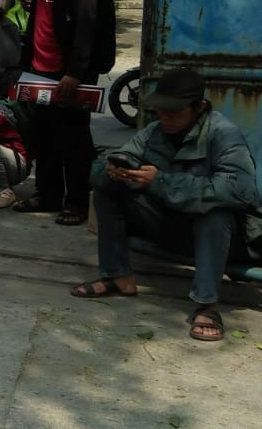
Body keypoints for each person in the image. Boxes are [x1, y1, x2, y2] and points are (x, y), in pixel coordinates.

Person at [71, 68, 261, 342]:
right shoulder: (154, 131)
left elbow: (239, 191)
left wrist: (160, 182)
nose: (165, 118)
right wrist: (114, 171)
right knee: (107, 189)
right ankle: (117, 276)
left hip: (229, 240)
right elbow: (108, 163)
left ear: (200, 108)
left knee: (213, 213)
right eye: (162, 110)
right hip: (173, 226)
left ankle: (207, 304)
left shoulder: (223, 133)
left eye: (174, 112)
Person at [12, 0, 112, 227]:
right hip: (39, 70)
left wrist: (75, 73)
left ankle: (77, 201)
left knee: (73, 139)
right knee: (43, 136)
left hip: (65, 75)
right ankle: (49, 193)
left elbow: (87, 24)